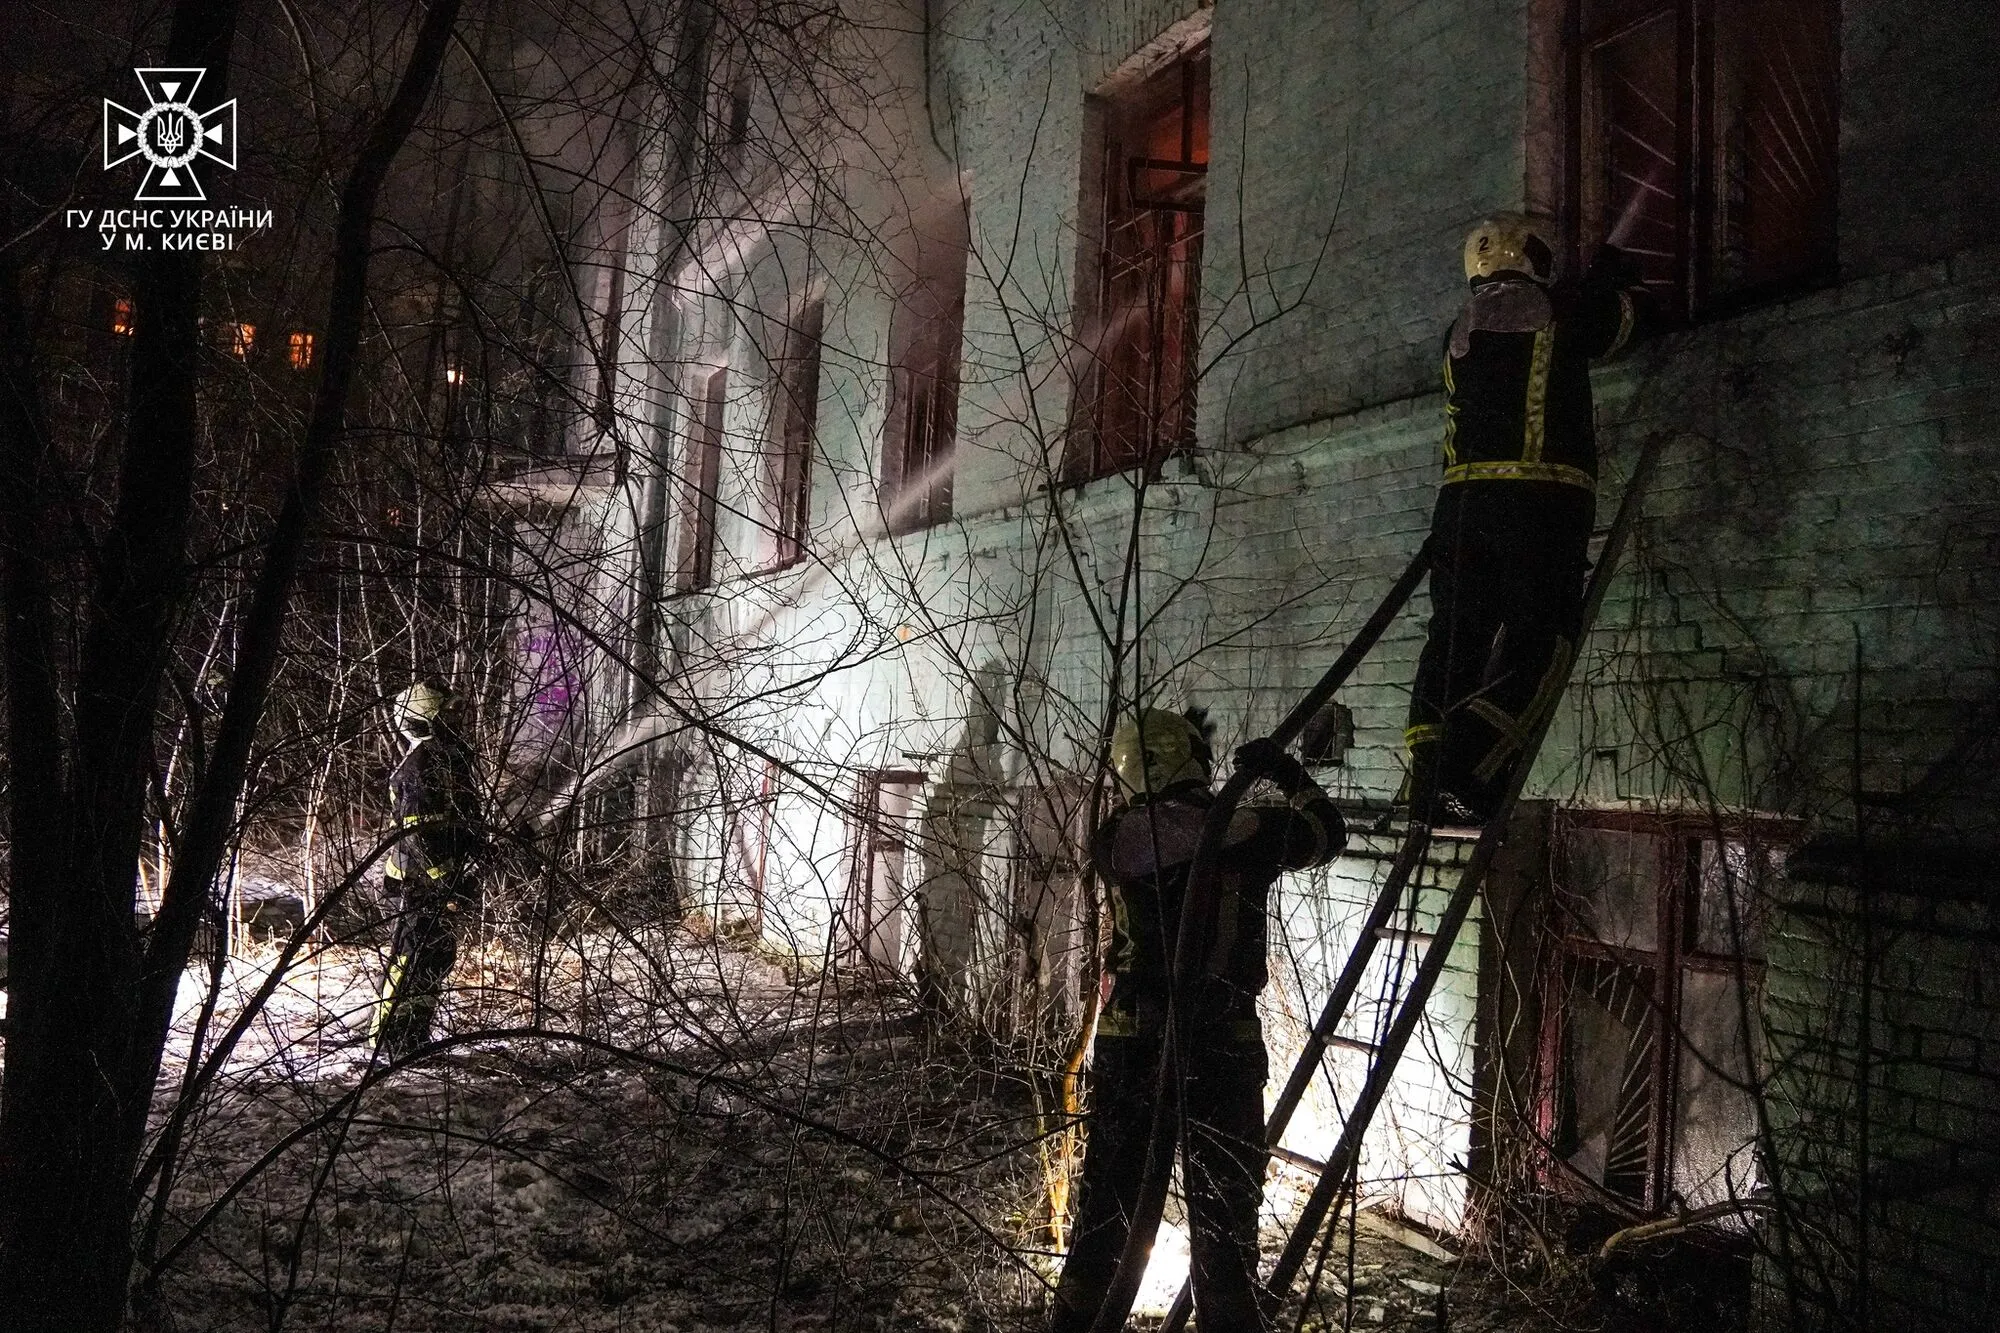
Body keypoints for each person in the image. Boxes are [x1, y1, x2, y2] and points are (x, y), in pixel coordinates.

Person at [1050, 708, 1346, 1333]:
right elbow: (1328, 831)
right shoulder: (1244, 829)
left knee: (1108, 1213)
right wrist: (1284, 774)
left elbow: (1170, 838)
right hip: (1223, 1046)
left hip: (1132, 1047)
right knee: (1225, 1225)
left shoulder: (1118, 836)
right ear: (1189, 758)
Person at [1404, 214, 1649, 827]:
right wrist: (1610, 284)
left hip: (1459, 508)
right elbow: (1621, 327)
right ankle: (1473, 771)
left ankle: (1429, 778)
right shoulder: (1556, 314)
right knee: (1541, 640)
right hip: (1541, 502)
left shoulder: (1458, 329)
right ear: (1535, 259)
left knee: (1453, 637)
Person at [370, 679, 481, 1058]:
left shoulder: (449, 759)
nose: (456, 722)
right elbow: (419, 831)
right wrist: (446, 879)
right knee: (410, 957)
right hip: (420, 881)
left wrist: (477, 849)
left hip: (442, 876)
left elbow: (458, 818)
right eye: (447, 714)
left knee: (436, 955)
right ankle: (387, 1040)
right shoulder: (423, 764)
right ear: (423, 720)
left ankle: (414, 1036)